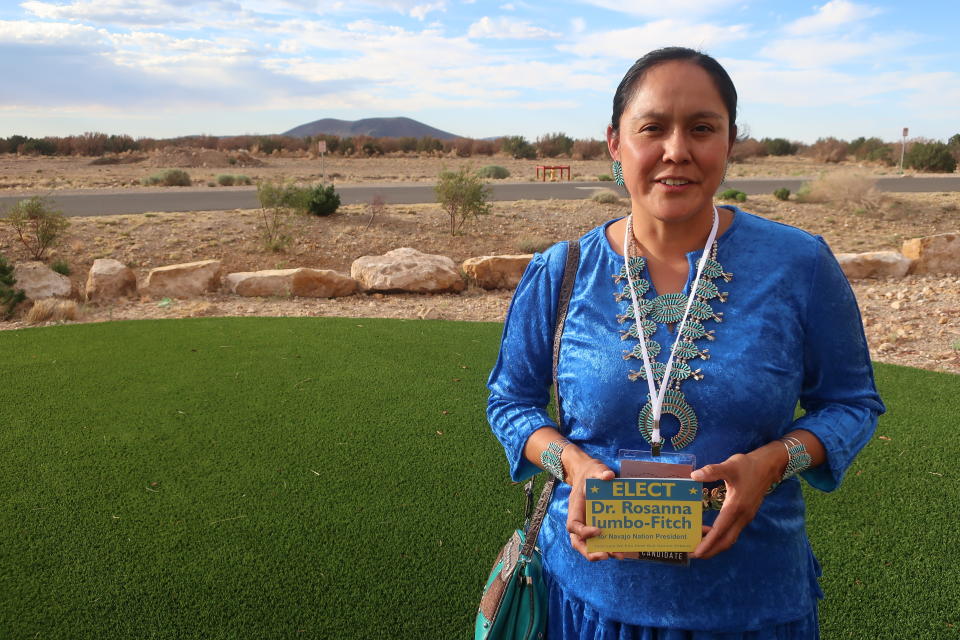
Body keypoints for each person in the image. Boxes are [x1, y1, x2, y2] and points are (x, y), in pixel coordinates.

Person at [486, 47, 885, 639]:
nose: (677, 150)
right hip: (591, 598)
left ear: (729, 143)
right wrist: (573, 464)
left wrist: (775, 462)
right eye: (653, 128)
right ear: (615, 145)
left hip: (752, 604)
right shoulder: (561, 270)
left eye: (702, 128)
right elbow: (510, 402)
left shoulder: (799, 266)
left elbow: (852, 403)